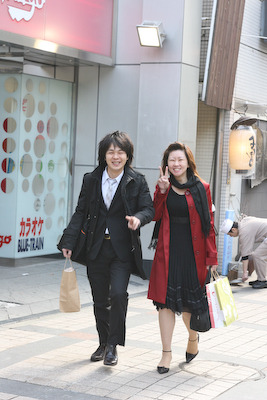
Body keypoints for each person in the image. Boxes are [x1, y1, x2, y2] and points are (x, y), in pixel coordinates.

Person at [59, 131, 154, 366]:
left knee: (118, 294)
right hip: (96, 248)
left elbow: (148, 209)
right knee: (100, 299)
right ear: (104, 155)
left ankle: (113, 345)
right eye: (111, 151)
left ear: (127, 155)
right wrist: (68, 241)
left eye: (120, 152)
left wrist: (138, 219)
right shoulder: (91, 179)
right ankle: (102, 342)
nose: (115, 156)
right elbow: (81, 211)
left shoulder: (137, 180)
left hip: (122, 249)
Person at [147, 142, 218, 374]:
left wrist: (212, 257)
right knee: (165, 306)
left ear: (188, 161)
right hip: (167, 254)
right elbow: (155, 214)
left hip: (193, 255)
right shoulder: (163, 186)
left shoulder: (202, 187)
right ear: (166, 164)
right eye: (171, 160)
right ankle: (166, 353)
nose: (176, 164)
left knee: (189, 307)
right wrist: (162, 190)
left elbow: (208, 225)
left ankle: (192, 338)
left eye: (180, 159)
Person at [220, 216, 267, 288]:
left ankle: (262, 281)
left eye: (230, 234)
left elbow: (245, 255)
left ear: (233, 229)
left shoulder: (244, 232)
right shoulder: (243, 222)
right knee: (257, 255)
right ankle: (261, 279)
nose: (231, 236)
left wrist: (245, 273)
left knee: (258, 255)